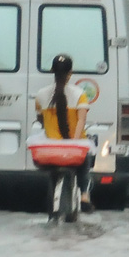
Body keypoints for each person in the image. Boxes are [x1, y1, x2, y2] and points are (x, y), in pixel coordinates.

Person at [33, 53, 93, 212]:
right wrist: (73, 142)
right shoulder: (79, 94)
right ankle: (85, 195)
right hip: (73, 152)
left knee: (53, 171)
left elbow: (40, 119)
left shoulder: (40, 94)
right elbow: (81, 121)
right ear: (70, 73)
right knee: (85, 162)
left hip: (50, 151)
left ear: (53, 71)